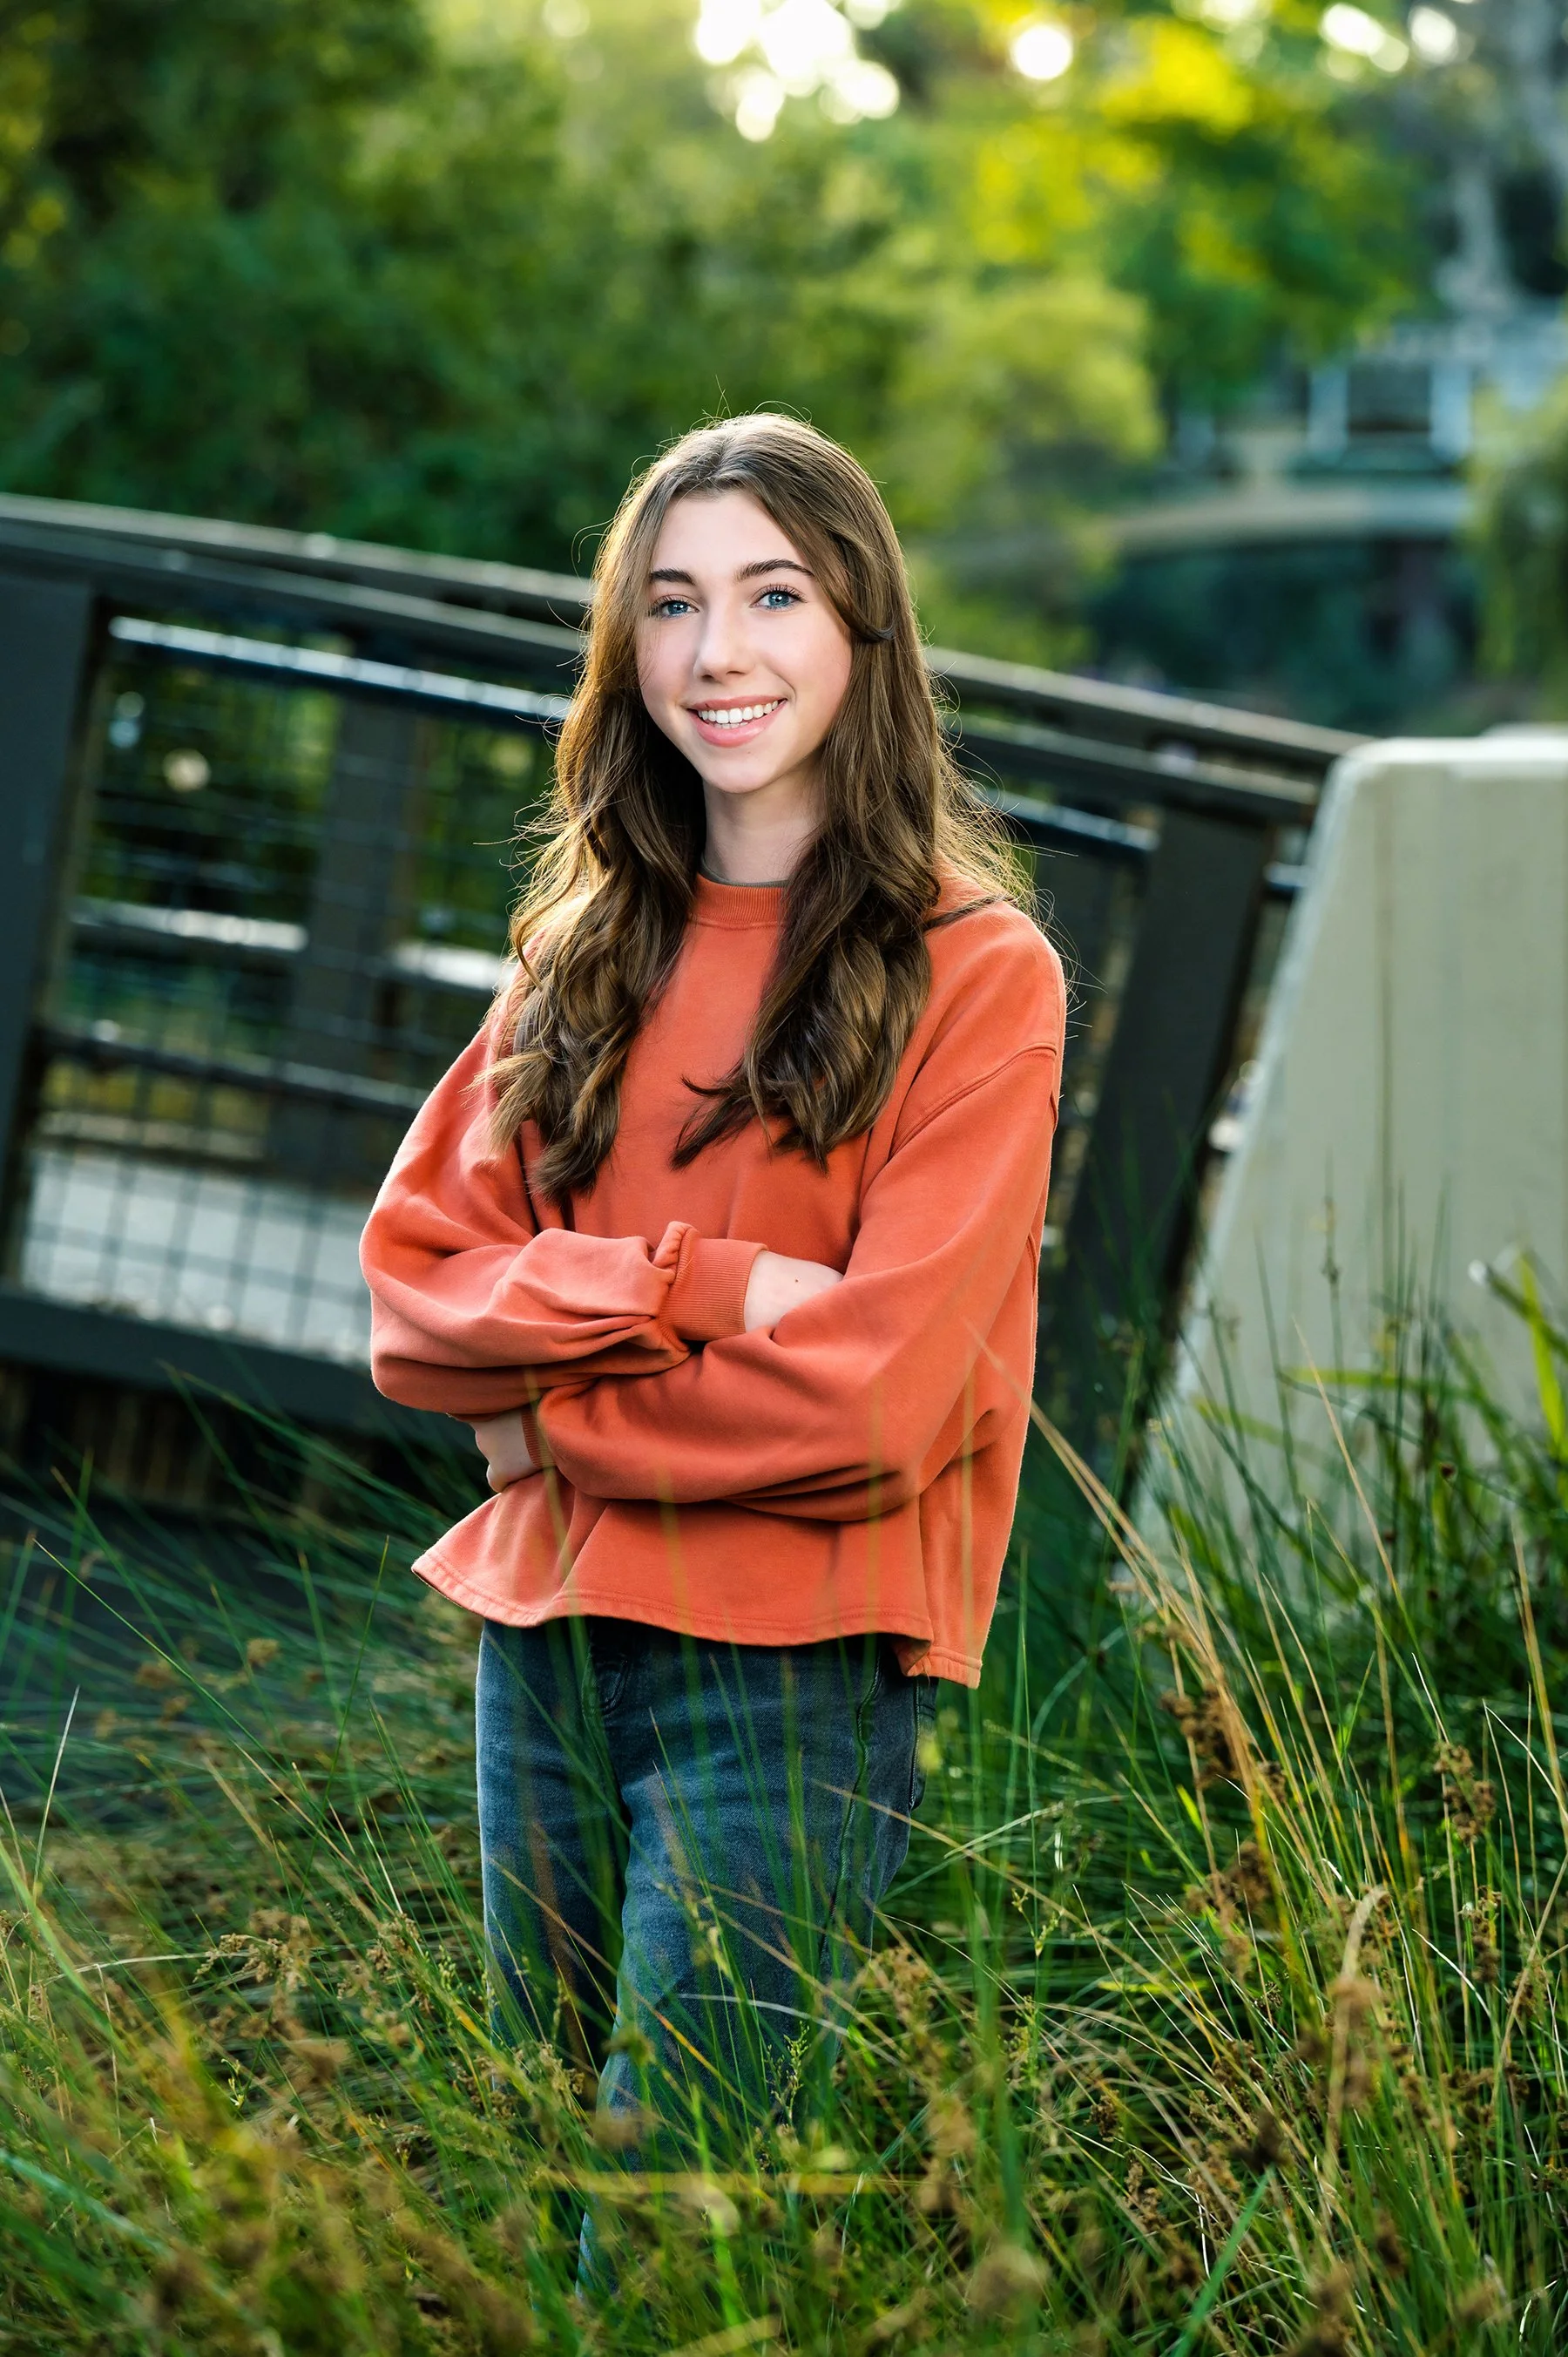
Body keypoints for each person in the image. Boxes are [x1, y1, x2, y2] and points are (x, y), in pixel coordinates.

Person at [359, 413, 1065, 2191]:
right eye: (671, 604)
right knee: (539, 2172)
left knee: (674, 2208)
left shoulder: (978, 977)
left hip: (795, 1676)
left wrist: (549, 1419)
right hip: (547, 1655)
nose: (717, 652)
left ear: (864, 633)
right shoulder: (586, 944)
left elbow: (881, 1402)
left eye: (773, 594)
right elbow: (418, 1291)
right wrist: (712, 1280)